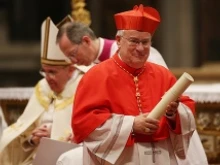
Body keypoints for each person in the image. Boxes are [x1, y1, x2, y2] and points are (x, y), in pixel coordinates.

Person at [71, 4, 208, 165]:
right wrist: (132, 125)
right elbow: (84, 122)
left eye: (146, 42)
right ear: (119, 41)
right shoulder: (96, 76)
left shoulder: (162, 74)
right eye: (134, 41)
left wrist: (173, 113)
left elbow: (186, 111)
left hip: (161, 156)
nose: (141, 48)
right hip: (122, 158)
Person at [0, 17, 84, 165]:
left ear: (70, 70)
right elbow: (23, 131)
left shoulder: (83, 85)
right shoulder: (43, 86)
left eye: (52, 72)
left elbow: (88, 132)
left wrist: (54, 134)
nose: (47, 77)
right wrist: (33, 139)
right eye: (44, 71)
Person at [56, 18, 168, 70]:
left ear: (86, 41)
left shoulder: (136, 53)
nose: (73, 61)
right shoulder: (88, 69)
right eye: (69, 57)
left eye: (73, 53)